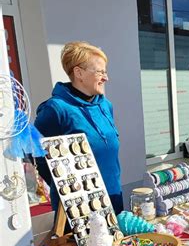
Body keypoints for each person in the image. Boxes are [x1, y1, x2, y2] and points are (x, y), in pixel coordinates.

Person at [35, 41, 123, 214]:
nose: (106, 78)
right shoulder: (56, 109)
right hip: (80, 210)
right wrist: (66, 188)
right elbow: (37, 156)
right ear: (78, 73)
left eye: (105, 71)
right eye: (100, 72)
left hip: (113, 198)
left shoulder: (105, 105)